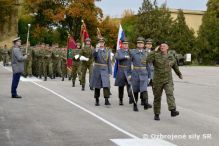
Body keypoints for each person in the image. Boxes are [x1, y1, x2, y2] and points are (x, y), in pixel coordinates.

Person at [141, 42, 183, 121]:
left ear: (167, 47)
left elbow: (175, 66)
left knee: (170, 93)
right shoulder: (155, 55)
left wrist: (179, 74)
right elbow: (145, 61)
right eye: (161, 46)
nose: (162, 47)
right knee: (157, 98)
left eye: (164, 46)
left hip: (168, 80)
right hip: (157, 81)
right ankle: (156, 114)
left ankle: (172, 110)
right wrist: (153, 51)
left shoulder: (171, 57)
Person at [130, 37, 152, 111]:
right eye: (139, 43)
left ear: (143, 44)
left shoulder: (146, 53)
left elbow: (148, 65)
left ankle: (145, 103)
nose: (140, 44)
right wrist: (129, 74)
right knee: (135, 90)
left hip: (144, 73)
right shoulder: (132, 52)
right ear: (137, 44)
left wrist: (149, 76)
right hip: (135, 73)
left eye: (141, 43)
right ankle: (135, 105)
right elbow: (128, 64)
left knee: (144, 89)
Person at [91, 37, 112, 106]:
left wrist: (110, 72)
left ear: (104, 43)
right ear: (98, 43)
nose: (101, 43)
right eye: (100, 42)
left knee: (106, 85)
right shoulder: (96, 50)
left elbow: (109, 62)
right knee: (97, 86)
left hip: (105, 69)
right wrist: (96, 49)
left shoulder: (107, 51)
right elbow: (94, 56)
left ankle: (106, 100)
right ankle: (97, 100)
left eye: (102, 42)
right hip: (97, 69)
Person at [114, 38, 133, 105]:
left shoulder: (130, 52)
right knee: (121, 86)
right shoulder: (119, 51)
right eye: (124, 44)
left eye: (127, 44)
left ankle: (131, 97)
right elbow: (116, 57)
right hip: (121, 70)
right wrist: (124, 56)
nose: (126, 45)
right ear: (122, 44)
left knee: (130, 85)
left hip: (128, 70)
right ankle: (121, 99)